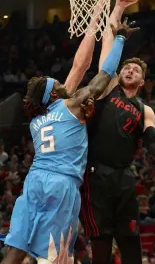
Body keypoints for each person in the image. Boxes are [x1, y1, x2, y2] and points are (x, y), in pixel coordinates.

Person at [1, 20, 138, 264]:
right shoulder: (71, 106)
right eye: (58, 84)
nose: (63, 84)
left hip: (34, 181)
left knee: (15, 251)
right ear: (53, 94)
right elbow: (104, 75)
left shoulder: (36, 121)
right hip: (61, 184)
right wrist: (120, 39)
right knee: (56, 256)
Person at [79, 3, 155, 264]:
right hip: (96, 173)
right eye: (127, 68)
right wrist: (118, 9)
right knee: (101, 239)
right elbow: (107, 53)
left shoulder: (145, 109)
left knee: (130, 240)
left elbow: (150, 137)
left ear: (143, 81)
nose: (130, 70)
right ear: (119, 73)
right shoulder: (108, 88)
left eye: (137, 70)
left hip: (124, 177)